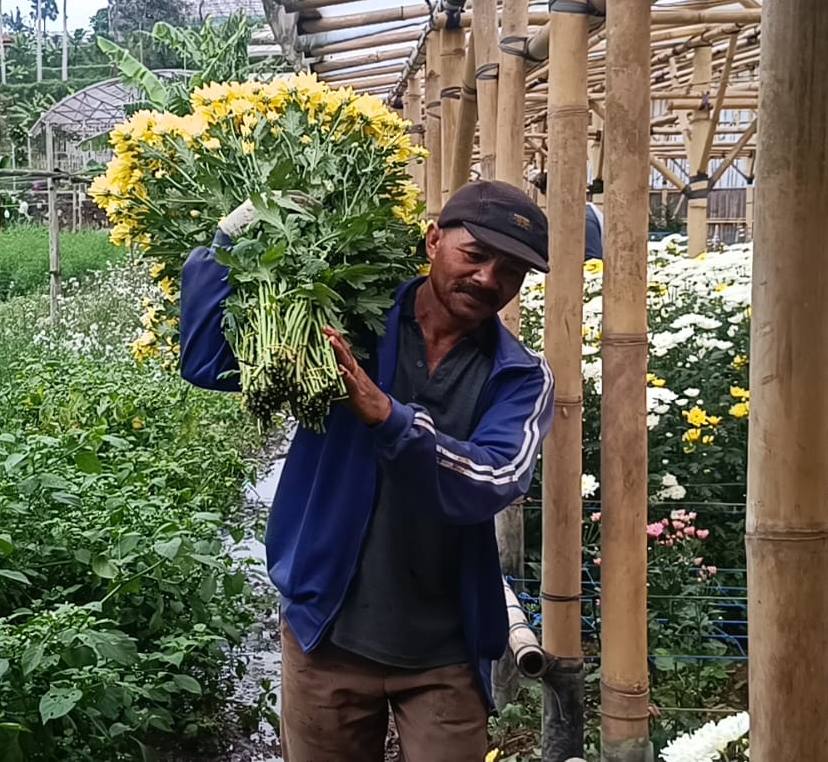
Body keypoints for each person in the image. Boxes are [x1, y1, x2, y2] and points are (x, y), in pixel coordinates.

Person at [178, 180, 555, 762]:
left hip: (445, 653)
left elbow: (496, 478)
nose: (488, 279)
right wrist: (223, 245)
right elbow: (210, 362)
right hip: (326, 635)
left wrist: (388, 417)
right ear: (433, 241)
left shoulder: (520, 376)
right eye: (475, 255)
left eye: (510, 271)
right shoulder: (347, 321)